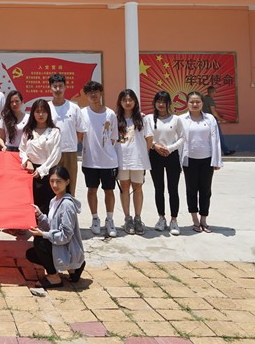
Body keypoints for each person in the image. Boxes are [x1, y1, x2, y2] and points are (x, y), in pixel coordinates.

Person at [27, 166, 86, 289]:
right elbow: (52, 226)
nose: (54, 185)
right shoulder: (54, 200)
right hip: (62, 245)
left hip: (67, 247)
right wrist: (40, 215)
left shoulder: (67, 205)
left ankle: (54, 277)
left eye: (59, 181)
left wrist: (43, 234)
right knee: (32, 254)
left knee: (40, 242)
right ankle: (73, 269)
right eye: (52, 181)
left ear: (67, 182)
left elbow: (66, 235)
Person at [79, 81, 120, 238]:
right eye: (90, 92)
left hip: (108, 161)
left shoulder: (110, 114)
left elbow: (114, 138)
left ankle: (110, 220)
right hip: (90, 161)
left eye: (96, 91)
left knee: (109, 191)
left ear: (101, 93)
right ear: (86, 95)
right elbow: (79, 135)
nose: (93, 95)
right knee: (92, 190)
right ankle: (95, 219)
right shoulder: (82, 113)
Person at [179, 91, 223, 233]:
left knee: (206, 191)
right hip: (189, 160)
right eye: (192, 102)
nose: (195, 104)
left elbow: (215, 139)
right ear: (187, 103)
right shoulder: (181, 119)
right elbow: (178, 140)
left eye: (198, 102)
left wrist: (217, 160)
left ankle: (204, 219)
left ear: (202, 103)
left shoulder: (210, 119)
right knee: (191, 190)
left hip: (207, 160)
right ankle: (195, 220)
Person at [144, 91, 185, 236]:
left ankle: (174, 220)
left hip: (171, 155)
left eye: (164, 101)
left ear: (169, 103)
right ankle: (161, 218)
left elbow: (182, 137)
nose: (161, 104)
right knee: (158, 188)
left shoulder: (176, 119)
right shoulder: (149, 118)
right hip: (155, 155)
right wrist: (155, 146)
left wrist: (170, 148)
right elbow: (146, 136)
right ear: (154, 103)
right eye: (158, 101)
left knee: (173, 189)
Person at [115, 89, 153, 236]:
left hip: (138, 160)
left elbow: (149, 139)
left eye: (130, 99)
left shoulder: (143, 118)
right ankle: (128, 219)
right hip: (122, 160)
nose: (127, 102)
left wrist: (143, 154)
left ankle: (138, 218)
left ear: (135, 101)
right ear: (120, 102)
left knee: (137, 188)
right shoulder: (116, 119)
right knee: (124, 187)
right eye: (124, 100)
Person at [47, 73, 87, 197]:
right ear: (50, 88)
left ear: (65, 87)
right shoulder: (46, 107)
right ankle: (53, 208)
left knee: (70, 184)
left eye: (60, 86)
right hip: (51, 152)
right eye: (55, 86)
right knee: (52, 186)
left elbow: (80, 130)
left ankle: (69, 207)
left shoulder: (74, 108)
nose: (58, 89)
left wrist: (73, 143)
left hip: (70, 152)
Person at [20, 99, 62, 215]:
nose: (40, 114)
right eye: (37, 112)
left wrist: (42, 170)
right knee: (32, 203)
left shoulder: (54, 132)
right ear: (33, 113)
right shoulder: (28, 131)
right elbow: (22, 149)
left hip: (49, 172)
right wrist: (27, 161)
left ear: (48, 113)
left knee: (48, 204)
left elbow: (56, 155)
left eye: (43, 111)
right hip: (31, 172)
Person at [203, 86, 234, 155]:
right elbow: (213, 111)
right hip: (212, 120)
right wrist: (219, 118)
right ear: (213, 92)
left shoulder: (204, 98)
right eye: (215, 92)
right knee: (219, 135)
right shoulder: (210, 99)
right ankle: (226, 151)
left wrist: (218, 114)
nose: (215, 93)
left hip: (204, 120)